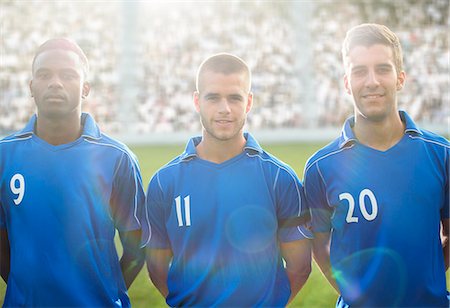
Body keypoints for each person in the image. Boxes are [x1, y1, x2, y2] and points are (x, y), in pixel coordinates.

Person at [143, 53, 312, 306]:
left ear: (249, 102)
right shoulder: (164, 182)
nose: (225, 108)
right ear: (197, 101)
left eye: (235, 97)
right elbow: (156, 267)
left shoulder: (279, 177)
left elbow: (300, 266)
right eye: (213, 97)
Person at [303, 23, 449, 307]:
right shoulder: (321, 167)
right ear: (347, 82)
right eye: (359, 71)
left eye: (382, 69)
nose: (372, 81)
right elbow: (319, 244)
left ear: (400, 78)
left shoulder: (441, 154)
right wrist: (356, 295)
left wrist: (421, 280)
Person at [0, 38, 148, 307]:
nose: (55, 82)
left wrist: (103, 294)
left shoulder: (117, 159)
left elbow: (137, 247)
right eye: (44, 75)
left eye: (68, 75)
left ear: (85, 88)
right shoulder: (3, 156)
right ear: (31, 87)